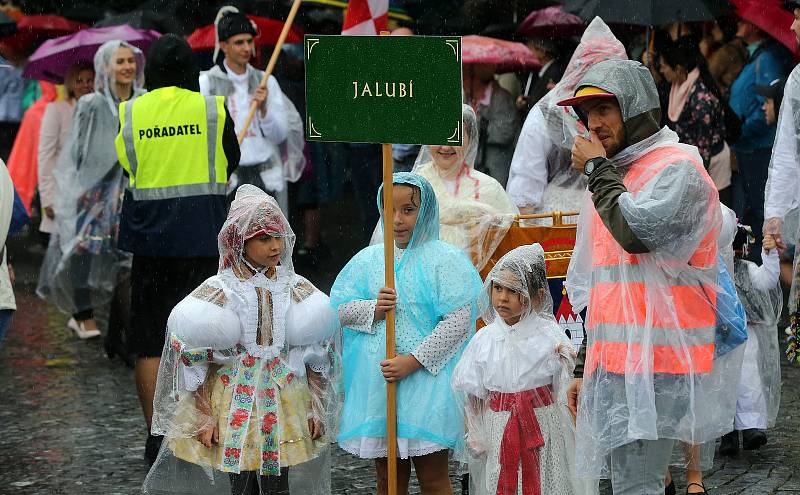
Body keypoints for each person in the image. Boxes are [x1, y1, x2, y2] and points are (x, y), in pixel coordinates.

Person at [559, 59, 743, 494]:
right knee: (630, 484)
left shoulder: (677, 168)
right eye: (588, 114)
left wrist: (596, 171)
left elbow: (637, 233)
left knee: (638, 485)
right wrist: (588, 365)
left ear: (636, 108)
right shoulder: (614, 174)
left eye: (606, 108)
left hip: (662, 364)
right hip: (619, 365)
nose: (594, 123)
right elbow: (601, 288)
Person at [146, 185, 338, 495]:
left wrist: (316, 405)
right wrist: (203, 415)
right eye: (264, 238)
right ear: (239, 242)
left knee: (279, 483)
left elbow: (313, 348)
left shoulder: (295, 287)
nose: (275, 246)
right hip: (235, 398)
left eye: (278, 237)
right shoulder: (220, 290)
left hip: (283, 394)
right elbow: (197, 355)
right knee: (242, 482)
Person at [114, 34, 241, 466]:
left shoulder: (130, 112)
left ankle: (158, 437)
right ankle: (209, 427)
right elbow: (230, 160)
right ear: (191, 70)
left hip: (150, 243)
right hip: (203, 240)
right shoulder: (211, 108)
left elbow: (129, 168)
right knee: (210, 336)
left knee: (150, 341)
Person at [331, 173, 483, 494]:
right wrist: (373, 308)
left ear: (425, 211)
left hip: (427, 384)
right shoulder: (370, 260)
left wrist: (412, 361)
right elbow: (340, 309)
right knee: (388, 481)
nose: (397, 220)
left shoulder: (445, 260)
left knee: (433, 479)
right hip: (380, 386)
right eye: (390, 210)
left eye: (408, 210)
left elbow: (457, 321)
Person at [451, 243, 590, 495]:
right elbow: (473, 393)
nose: (502, 298)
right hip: (499, 425)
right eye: (498, 288)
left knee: (547, 479)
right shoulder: (485, 339)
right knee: (503, 478)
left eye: (514, 291)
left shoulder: (548, 334)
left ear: (536, 296)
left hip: (543, 423)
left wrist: (567, 360)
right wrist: (474, 431)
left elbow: (567, 383)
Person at [37, 40, 145, 340]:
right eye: (119, 61)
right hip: (95, 191)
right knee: (85, 252)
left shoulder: (144, 100)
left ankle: (122, 321)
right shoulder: (91, 104)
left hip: (133, 190)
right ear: (106, 67)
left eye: (130, 60)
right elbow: (76, 152)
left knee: (127, 257)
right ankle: (83, 314)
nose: (126, 67)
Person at [507, 17, 627, 215]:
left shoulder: (630, 115)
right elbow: (525, 189)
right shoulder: (547, 113)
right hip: (557, 225)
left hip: (614, 220)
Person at [200, 6, 304, 214]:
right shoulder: (207, 82)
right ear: (223, 45)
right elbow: (204, 138)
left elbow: (279, 136)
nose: (246, 48)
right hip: (229, 178)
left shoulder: (266, 81)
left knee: (268, 242)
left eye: (249, 41)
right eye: (239, 42)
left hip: (265, 176)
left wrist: (264, 108)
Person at [717, 228, 782, 455]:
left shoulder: (748, 269)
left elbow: (768, 280)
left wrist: (769, 254)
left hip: (747, 334)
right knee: (721, 380)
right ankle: (727, 431)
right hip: (719, 336)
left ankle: (750, 426)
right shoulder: (713, 270)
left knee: (748, 378)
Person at [729, 19, 789, 262]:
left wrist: (741, 130)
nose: (738, 23)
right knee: (747, 207)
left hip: (758, 147)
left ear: (755, 26)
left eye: (743, 21)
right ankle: (750, 259)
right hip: (748, 147)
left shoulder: (767, 59)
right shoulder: (757, 56)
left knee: (758, 207)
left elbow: (771, 102)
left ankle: (764, 263)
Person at [659, 37, 733, 205]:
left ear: (678, 69)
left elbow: (704, 146)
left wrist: (699, 180)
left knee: (718, 210)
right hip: (693, 161)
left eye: (664, 66)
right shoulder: (679, 86)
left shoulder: (700, 98)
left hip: (710, 163)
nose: (662, 71)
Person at [37, 61, 95, 244]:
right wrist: (48, 199)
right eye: (80, 80)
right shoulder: (56, 110)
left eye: (90, 80)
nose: (86, 85)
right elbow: (45, 156)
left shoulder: (100, 110)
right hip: (62, 195)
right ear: (71, 83)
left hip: (91, 198)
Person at [463, 63, 520, 187]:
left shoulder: (501, 98)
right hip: (471, 165)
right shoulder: (466, 97)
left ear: (476, 79)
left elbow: (505, 133)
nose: (462, 82)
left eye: (465, 77)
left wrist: (478, 123)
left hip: (494, 167)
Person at [516, 37, 566, 113]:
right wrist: (527, 102)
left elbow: (548, 104)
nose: (526, 54)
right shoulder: (538, 72)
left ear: (542, 52)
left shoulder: (556, 72)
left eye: (529, 49)